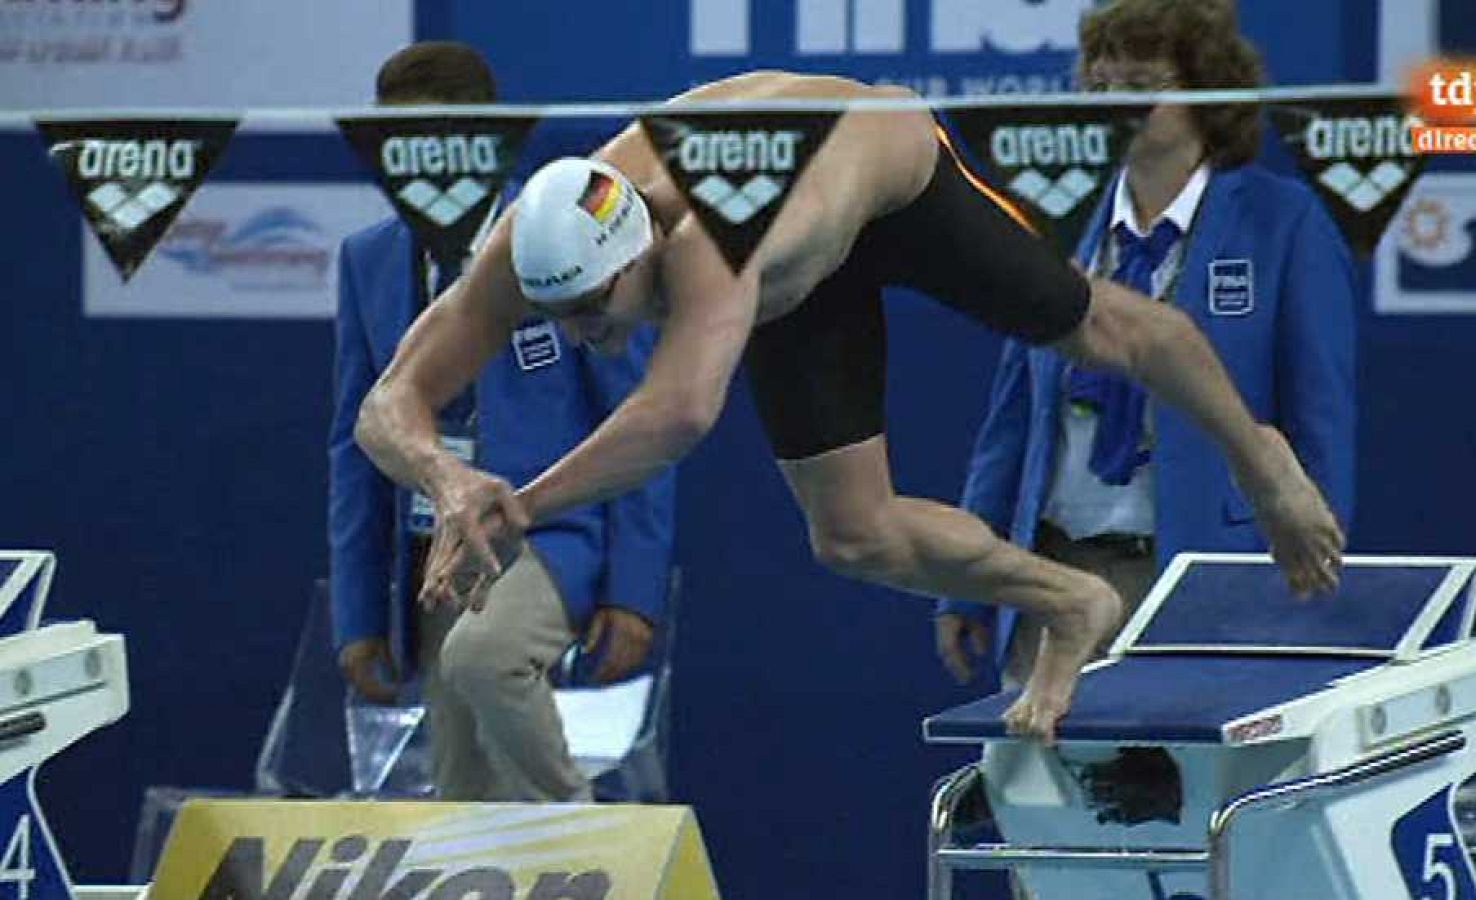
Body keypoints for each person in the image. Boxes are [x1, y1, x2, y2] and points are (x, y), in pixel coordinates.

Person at [354, 69, 1343, 741]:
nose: (577, 331)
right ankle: (1068, 598)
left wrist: (519, 503)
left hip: (888, 174)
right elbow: (386, 403)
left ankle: (1259, 457)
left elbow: (679, 415)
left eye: (592, 307)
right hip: (795, 270)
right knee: (853, 538)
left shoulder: (711, 238)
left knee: (1106, 327)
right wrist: (447, 475)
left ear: (641, 251)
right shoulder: (530, 244)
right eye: (554, 311)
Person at [934, 0, 1357, 690]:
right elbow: (1009, 424)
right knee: (1041, 790)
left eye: (1139, 86)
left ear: (1205, 88)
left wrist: (1313, 588)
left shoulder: (1281, 223)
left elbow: (1321, 419)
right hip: (1054, 581)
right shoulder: (1060, 224)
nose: (1115, 106)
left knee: (1190, 788)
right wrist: (966, 581)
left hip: (1208, 581)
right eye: (1100, 90)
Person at [329, 41, 675, 801]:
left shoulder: (566, 233)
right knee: (461, 787)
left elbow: (644, 418)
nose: (427, 164)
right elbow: (355, 449)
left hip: (548, 537)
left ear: (488, 137)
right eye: (403, 146)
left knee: (486, 658)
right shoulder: (369, 260)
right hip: (433, 556)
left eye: (444, 140)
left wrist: (635, 590)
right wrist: (356, 614)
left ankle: (586, 833)